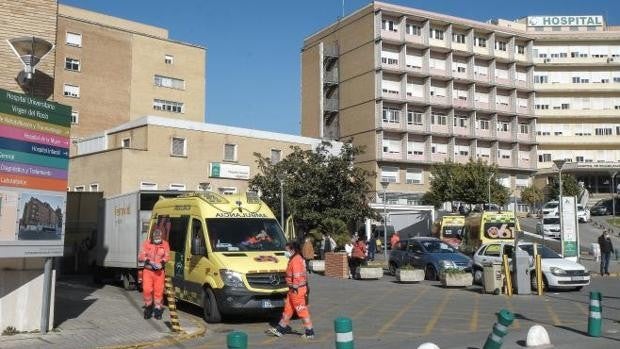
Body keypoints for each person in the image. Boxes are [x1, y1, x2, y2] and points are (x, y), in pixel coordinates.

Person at [267, 242, 315, 339]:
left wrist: (295, 287)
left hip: (296, 290)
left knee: (301, 310)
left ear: (292, 250)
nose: (286, 252)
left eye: (287, 250)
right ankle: (281, 328)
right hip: (293, 290)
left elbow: (297, 275)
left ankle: (309, 331)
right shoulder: (294, 258)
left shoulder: (296, 260)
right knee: (288, 310)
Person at [138, 229, 170, 320]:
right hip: (148, 271)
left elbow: (167, 256)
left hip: (159, 272)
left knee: (158, 292)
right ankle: (148, 308)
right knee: (147, 290)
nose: (157, 239)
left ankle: (157, 310)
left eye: (159, 237)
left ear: (161, 237)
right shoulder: (147, 243)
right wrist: (148, 260)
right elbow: (141, 256)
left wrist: (162, 263)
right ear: (152, 236)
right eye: (155, 237)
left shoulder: (165, 244)